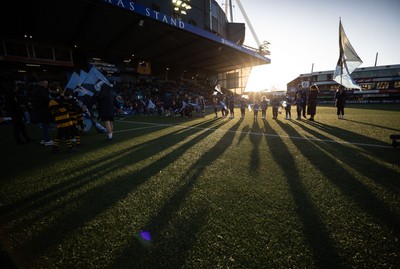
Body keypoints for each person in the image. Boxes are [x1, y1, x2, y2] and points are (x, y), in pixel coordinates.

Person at [48, 87, 74, 153]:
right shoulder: (53, 101)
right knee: (65, 134)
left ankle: (55, 148)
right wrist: (63, 100)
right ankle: (69, 148)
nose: (57, 91)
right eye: (55, 91)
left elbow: (69, 106)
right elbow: (63, 109)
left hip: (64, 119)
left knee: (60, 134)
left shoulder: (59, 99)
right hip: (61, 120)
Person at [31, 79, 53, 145]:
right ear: (40, 83)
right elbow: (45, 99)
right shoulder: (40, 90)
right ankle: (47, 140)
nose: (46, 84)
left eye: (47, 83)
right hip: (43, 110)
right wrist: (52, 100)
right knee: (45, 125)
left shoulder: (37, 90)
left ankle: (43, 139)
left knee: (44, 125)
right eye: (45, 83)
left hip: (40, 110)